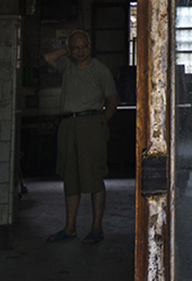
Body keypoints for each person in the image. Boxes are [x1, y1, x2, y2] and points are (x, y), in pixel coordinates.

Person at [44, 30, 118, 245]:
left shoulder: (100, 70)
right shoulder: (67, 66)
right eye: (75, 47)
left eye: (83, 46)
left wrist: (99, 124)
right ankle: (70, 227)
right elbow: (49, 58)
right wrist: (66, 49)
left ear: (90, 45)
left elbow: (112, 102)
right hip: (68, 124)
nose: (80, 51)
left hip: (91, 122)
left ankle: (96, 227)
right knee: (70, 177)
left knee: (93, 176)